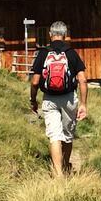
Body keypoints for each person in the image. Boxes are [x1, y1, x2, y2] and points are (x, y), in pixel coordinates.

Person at [29, 21, 88, 177]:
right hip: (69, 98)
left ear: (50, 34)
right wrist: (83, 104)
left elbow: (35, 82)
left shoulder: (43, 53)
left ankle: (58, 174)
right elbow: (82, 80)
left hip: (49, 99)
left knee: (54, 136)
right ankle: (66, 166)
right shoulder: (71, 53)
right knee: (67, 136)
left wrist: (33, 100)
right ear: (65, 35)